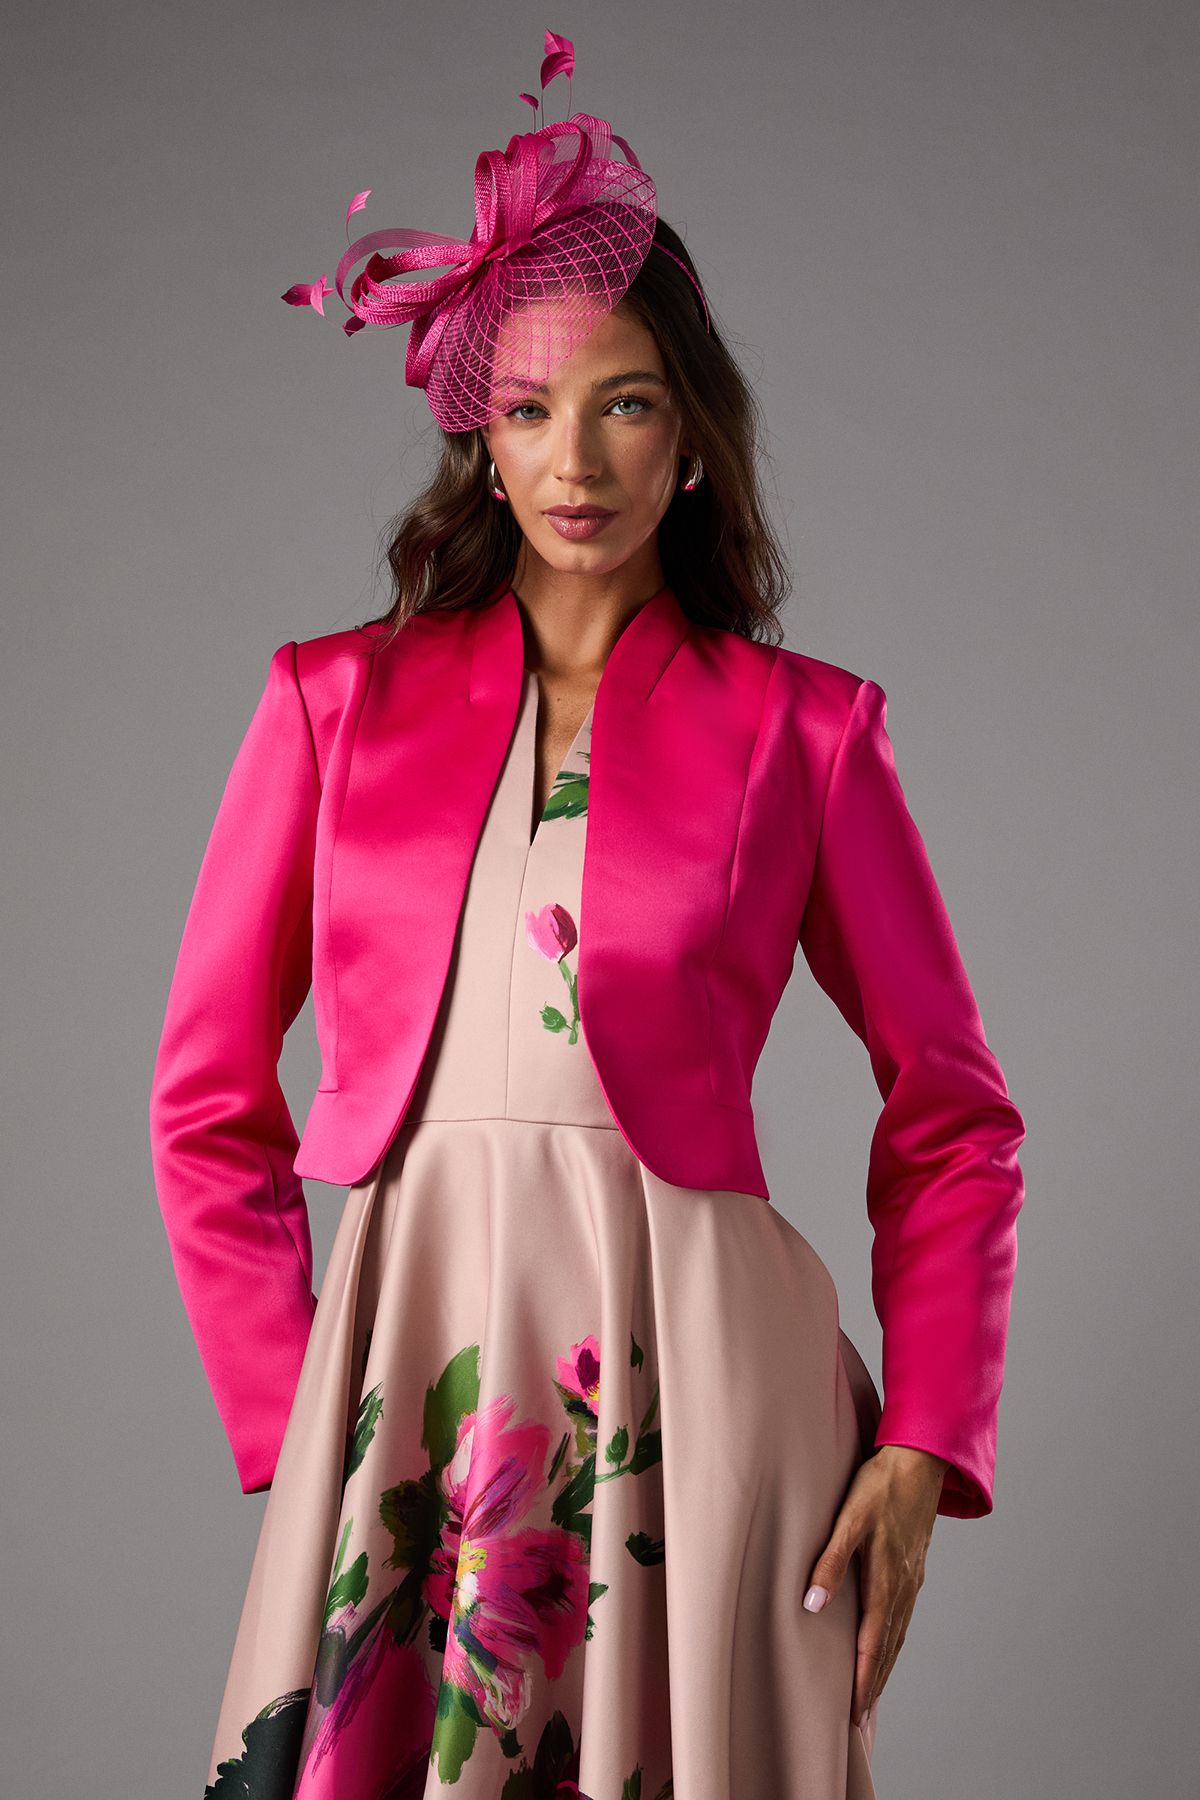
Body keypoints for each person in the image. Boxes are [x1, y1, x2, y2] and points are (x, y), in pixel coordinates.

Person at [148, 30, 1026, 1800]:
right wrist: (301, 1416)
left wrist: (925, 1440)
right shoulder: (332, 705)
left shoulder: (808, 735)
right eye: (531, 408)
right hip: (423, 1362)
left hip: (710, 1382)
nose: (577, 459)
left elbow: (955, 1119)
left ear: (691, 440)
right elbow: (205, 1101)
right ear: (479, 439)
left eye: (626, 404)